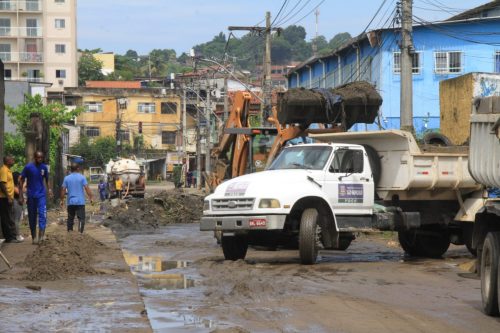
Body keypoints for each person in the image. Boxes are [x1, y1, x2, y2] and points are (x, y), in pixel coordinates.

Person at [20, 151, 52, 244]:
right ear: (34, 157)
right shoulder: (28, 167)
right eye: (38, 158)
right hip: (31, 195)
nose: (40, 159)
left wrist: (49, 190)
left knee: (43, 214)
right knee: (32, 216)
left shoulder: (44, 167)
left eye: (41, 158)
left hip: (41, 195)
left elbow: (47, 179)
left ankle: (41, 236)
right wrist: (21, 195)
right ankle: (34, 237)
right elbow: (21, 180)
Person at [60, 163, 93, 233]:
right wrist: (91, 197)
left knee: (70, 219)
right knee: (81, 219)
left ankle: (70, 233)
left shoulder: (66, 178)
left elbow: (63, 190)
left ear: (71, 169)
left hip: (70, 202)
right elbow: (87, 188)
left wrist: (62, 200)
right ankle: (80, 233)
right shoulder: (82, 177)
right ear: (78, 169)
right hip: (80, 202)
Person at [0, 156, 20, 243]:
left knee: (8, 217)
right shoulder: (4, 170)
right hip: (4, 198)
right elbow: (2, 184)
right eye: (12, 159)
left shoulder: (8, 170)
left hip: (8, 197)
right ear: (7, 161)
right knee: (6, 218)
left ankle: (11, 236)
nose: (13, 160)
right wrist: (8, 196)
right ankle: (9, 238)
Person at [12, 171, 24, 241]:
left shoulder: (17, 185)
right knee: (16, 219)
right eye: (19, 178)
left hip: (18, 202)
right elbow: (19, 192)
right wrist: (20, 185)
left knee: (18, 219)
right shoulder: (14, 186)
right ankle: (17, 235)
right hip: (16, 202)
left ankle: (17, 234)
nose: (20, 179)